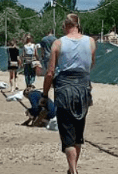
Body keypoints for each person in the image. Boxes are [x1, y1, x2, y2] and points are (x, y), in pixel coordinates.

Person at [42, 13, 96, 174]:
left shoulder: (58, 44)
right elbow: (91, 64)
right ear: (78, 25)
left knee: (67, 133)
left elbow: (50, 72)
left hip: (64, 89)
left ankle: (73, 170)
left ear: (65, 26)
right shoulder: (91, 42)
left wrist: (45, 94)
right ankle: (73, 168)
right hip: (84, 88)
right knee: (78, 132)